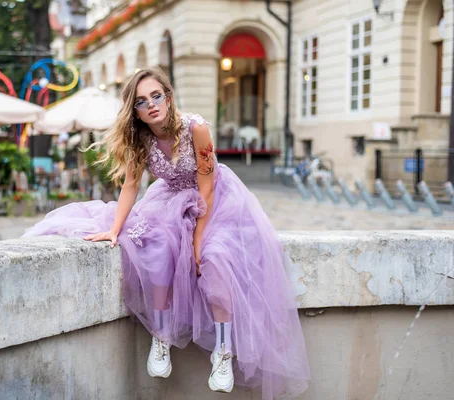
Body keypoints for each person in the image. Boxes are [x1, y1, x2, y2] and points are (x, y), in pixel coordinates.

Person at [23, 68, 310, 397]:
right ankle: (161, 337)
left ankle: (223, 352)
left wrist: (198, 239)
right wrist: (114, 230)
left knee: (215, 258)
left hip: (214, 199)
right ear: (136, 111)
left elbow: (206, 184)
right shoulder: (140, 138)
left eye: (156, 96)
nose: (151, 105)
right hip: (170, 198)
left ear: (169, 97)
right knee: (154, 245)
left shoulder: (196, 128)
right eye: (142, 101)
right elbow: (131, 186)